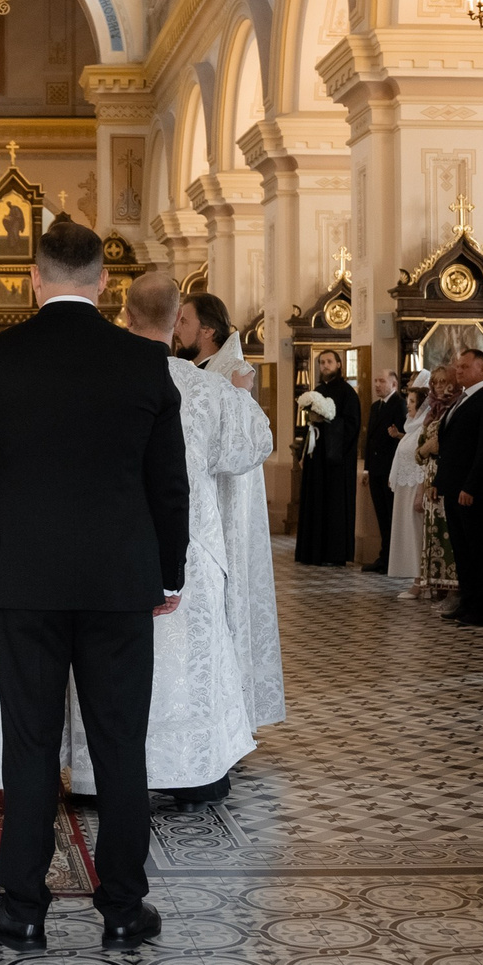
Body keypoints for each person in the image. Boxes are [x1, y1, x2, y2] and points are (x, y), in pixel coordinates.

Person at [0, 217, 187, 953]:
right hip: (120, 580)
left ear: (34, 277)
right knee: (119, 742)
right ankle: (123, 906)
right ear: (105, 280)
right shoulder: (144, 363)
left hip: (24, 579)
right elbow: (167, 487)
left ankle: (23, 904)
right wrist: (167, 572)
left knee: (30, 740)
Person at [67, 273, 270, 807]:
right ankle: (196, 772)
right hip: (188, 544)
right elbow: (251, 448)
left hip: (107, 547)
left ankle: (100, 775)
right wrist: (243, 398)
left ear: (125, 315)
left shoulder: (92, 377)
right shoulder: (203, 387)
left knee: (110, 662)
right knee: (188, 660)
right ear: (176, 317)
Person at [173, 291, 282, 732]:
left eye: (184, 321)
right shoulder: (196, 372)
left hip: (225, 509)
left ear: (208, 331)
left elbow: (243, 446)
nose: (177, 328)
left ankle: (233, 717)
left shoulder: (233, 375)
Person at [435, 346, 483, 628]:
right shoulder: (460, 400)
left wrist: (470, 486)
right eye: (458, 366)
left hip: (472, 490)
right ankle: (467, 602)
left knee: (477, 548)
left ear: (482, 369)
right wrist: (439, 483)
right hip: (453, 487)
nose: (458, 370)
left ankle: (481, 608)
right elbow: (450, 446)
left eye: (464, 366)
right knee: (461, 548)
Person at [292, 348, 361, 566]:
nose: (325, 366)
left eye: (329, 361)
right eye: (322, 362)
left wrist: (326, 423)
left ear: (339, 364)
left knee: (334, 506)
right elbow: (308, 426)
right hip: (316, 459)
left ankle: (334, 554)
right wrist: (304, 452)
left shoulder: (348, 394)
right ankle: (312, 552)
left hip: (336, 462)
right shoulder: (318, 391)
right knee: (314, 502)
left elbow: (352, 426)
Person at [415, 368, 460, 602]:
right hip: (430, 477)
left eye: (445, 382)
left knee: (449, 536)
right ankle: (438, 588)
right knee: (433, 535)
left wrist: (435, 448)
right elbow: (419, 454)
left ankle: (454, 590)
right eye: (436, 382)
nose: (440, 387)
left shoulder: (456, 410)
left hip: (447, 478)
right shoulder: (432, 413)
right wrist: (425, 450)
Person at [387, 373, 430, 593]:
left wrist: (421, 492)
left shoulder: (424, 429)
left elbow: (424, 461)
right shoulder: (413, 428)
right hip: (406, 487)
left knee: (416, 535)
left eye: (412, 403)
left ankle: (420, 582)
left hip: (416, 488)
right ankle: (415, 578)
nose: (408, 407)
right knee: (407, 533)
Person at [363, 371, 407, 572]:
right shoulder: (375, 406)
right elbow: (370, 439)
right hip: (376, 469)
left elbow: (402, 437)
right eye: (375, 380)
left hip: (390, 469)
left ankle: (391, 558)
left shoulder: (399, 405)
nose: (377, 384)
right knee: (381, 514)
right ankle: (384, 556)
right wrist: (366, 469)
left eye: (382, 381)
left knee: (390, 515)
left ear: (394, 384)